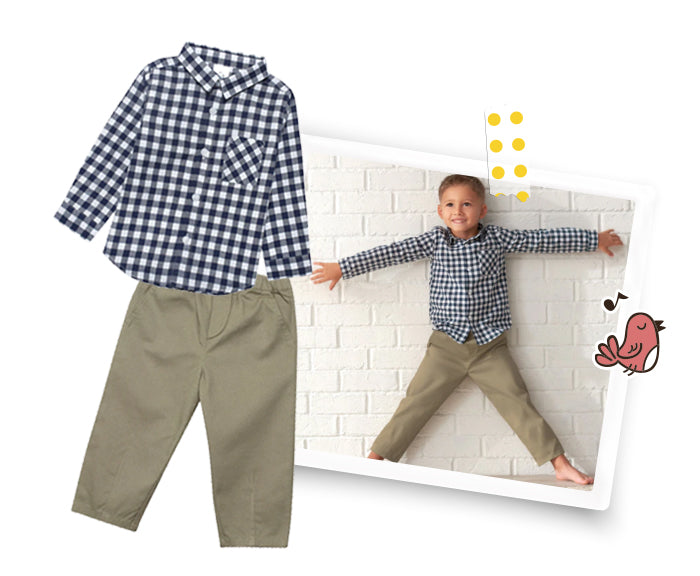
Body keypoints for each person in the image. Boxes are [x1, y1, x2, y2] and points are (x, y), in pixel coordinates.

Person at [310, 174, 623, 485]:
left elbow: (542, 239)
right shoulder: (435, 241)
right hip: (446, 346)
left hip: (489, 347)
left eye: (466, 204)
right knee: (415, 403)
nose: (458, 210)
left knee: (518, 403)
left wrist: (593, 239)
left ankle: (560, 464)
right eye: (450, 204)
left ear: (482, 211)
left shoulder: (497, 239)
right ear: (440, 211)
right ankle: (374, 462)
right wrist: (344, 267)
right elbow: (392, 252)